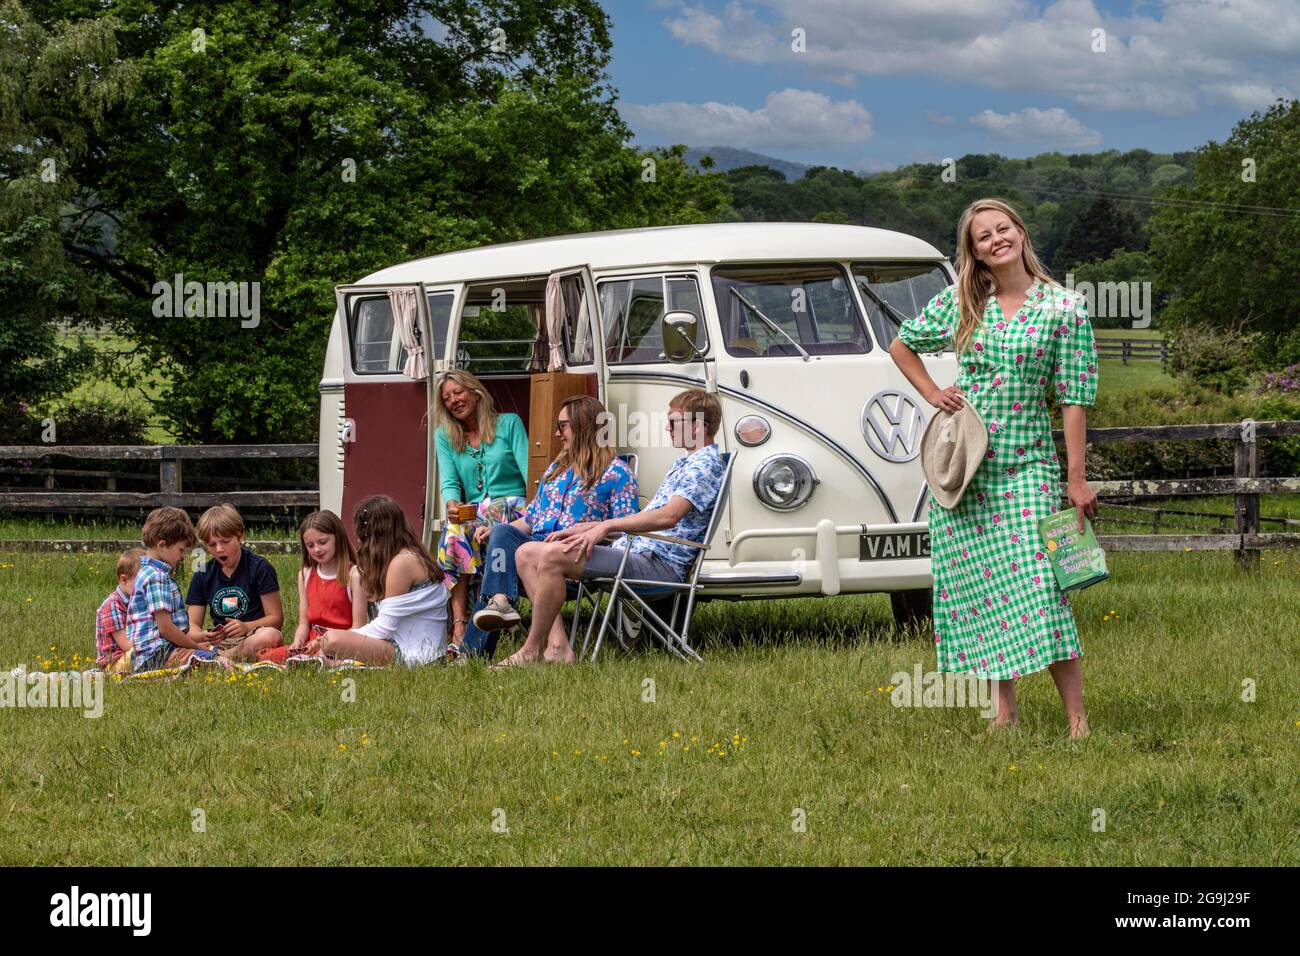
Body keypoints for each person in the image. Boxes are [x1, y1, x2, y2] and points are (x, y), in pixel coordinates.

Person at [889, 196, 1099, 738]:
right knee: (982, 591)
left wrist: (1075, 478)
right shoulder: (965, 302)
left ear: (1021, 233)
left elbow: (1074, 397)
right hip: (967, 468)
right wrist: (934, 392)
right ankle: (1004, 715)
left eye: (1002, 229)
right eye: (983, 236)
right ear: (975, 252)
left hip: (1028, 465)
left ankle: (1077, 720)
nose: (995, 239)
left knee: (1039, 587)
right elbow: (901, 345)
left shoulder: (1064, 308)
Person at [488, 389, 726, 667]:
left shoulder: (704, 465)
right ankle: (558, 648)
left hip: (657, 564)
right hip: (635, 553)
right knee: (526, 553)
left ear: (697, 425)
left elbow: (669, 517)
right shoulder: (686, 462)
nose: (667, 427)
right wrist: (590, 527)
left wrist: (606, 526)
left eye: (674, 422)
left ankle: (531, 650)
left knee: (550, 555)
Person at [460, 395, 639, 659]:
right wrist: (500, 532)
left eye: (563, 426)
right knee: (501, 532)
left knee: (507, 557)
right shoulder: (556, 470)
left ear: (585, 426)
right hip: (535, 548)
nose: (557, 433)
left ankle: (474, 651)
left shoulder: (616, 474)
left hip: (571, 553)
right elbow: (531, 519)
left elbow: (624, 529)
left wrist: (588, 530)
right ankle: (501, 603)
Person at [433, 370, 529, 648]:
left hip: (515, 505)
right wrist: (452, 506)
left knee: (487, 516)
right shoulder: (445, 435)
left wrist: (536, 509)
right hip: (476, 510)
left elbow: (528, 472)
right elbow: (450, 482)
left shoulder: (508, 424)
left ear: (475, 392)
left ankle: (488, 611)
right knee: (453, 531)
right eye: (447, 397)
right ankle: (460, 624)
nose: (454, 400)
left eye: (458, 392)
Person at [318, 495, 448, 666]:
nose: (359, 541)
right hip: (417, 648)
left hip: (415, 654)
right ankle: (334, 661)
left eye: (363, 536)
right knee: (332, 641)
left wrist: (330, 640)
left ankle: (334, 661)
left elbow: (383, 628)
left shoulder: (402, 563)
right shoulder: (410, 555)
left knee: (332, 640)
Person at [258, 510, 366, 664]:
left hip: (341, 643)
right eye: (310, 545)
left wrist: (323, 642)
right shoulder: (305, 574)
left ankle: (325, 662)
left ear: (338, 538)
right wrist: (298, 640)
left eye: (323, 542)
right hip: (311, 646)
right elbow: (304, 623)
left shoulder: (354, 575)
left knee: (324, 657)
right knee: (265, 656)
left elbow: (358, 628)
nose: (316, 549)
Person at [127, 507, 224, 672]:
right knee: (213, 660)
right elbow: (166, 629)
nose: (182, 556)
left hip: (159, 652)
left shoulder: (148, 572)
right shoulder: (156, 577)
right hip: (157, 655)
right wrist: (195, 647)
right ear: (162, 544)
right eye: (180, 550)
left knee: (210, 653)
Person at [185, 503, 284, 661]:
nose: (219, 549)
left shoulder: (260, 567)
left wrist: (246, 626)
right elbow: (191, 625)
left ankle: (221, 657)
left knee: (272, 635)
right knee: (176, 636)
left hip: (252, 635)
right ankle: (219, 654)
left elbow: (276, 619)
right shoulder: (202, 573)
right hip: (219, 640)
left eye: (225, 541)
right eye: (212, 544)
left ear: (240, 536)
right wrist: (204, 634)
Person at [94, 548, 144, 675]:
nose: (145, 587)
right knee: (147, 652)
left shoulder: (138, 600)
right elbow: (126, 644)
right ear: (123, 580)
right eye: (141, 582)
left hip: (130, 654)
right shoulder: (113, 605)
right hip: (114, 663)